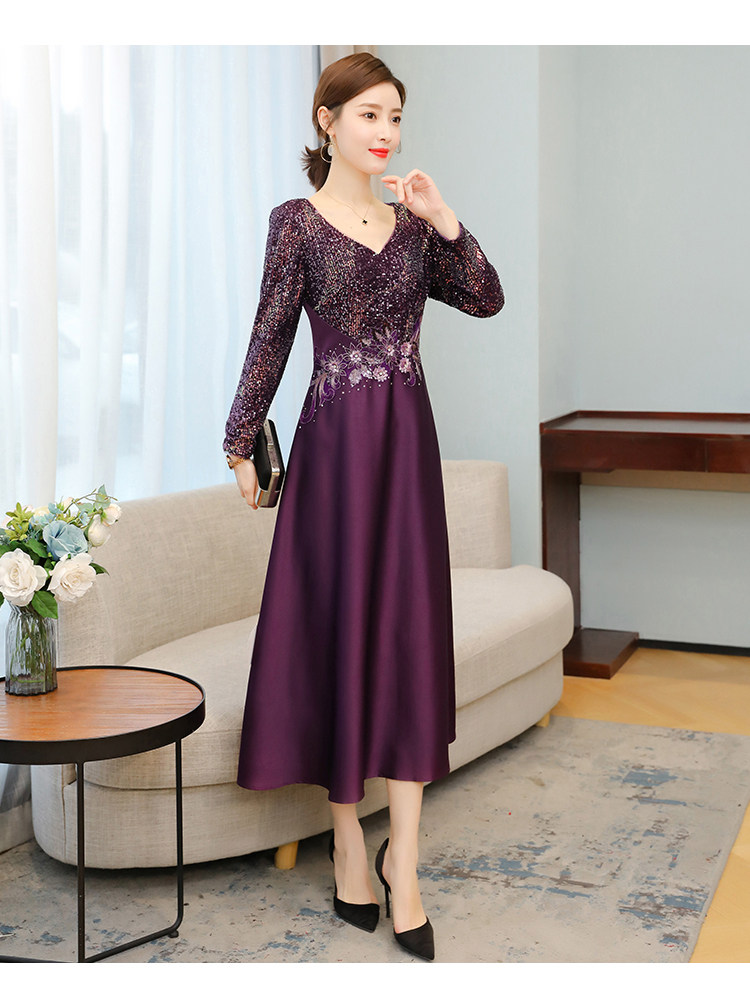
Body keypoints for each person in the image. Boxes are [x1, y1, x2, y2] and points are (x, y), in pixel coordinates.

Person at [223, 52, 504, 962]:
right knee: (339, 634)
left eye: (395, 117)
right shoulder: (295, 223)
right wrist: (239, 437)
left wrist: (445, 218)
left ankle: (404, 861)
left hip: (405, 455)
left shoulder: (416, 231)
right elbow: (270, 334)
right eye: (370, 114)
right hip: (334, 457)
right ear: (328, 119)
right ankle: (349, 838)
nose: (385, 132)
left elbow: (487, 298)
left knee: (410, 637)